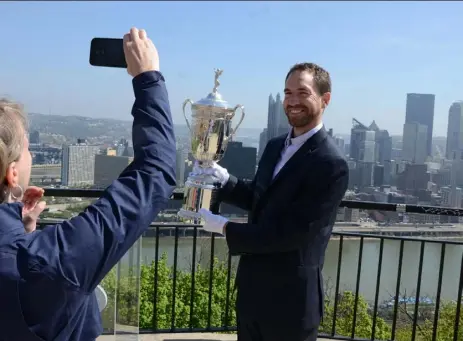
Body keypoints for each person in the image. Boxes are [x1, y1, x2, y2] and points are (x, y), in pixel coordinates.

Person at [0, 27, 176, 341]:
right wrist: (148, 77)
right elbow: (155, 173)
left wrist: (19, 231)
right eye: (27, 150)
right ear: (12, 174)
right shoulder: (49, 259)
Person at [195, 63, 349, 341]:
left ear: (325, 99)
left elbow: (293, 234)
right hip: (252, 292)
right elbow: (260, 198)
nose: (292, 101)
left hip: (291, 303)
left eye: (303, 92)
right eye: (288, 93)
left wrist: (225, 228)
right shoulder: (275, 145)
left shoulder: (331, 163)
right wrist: (224, 179)